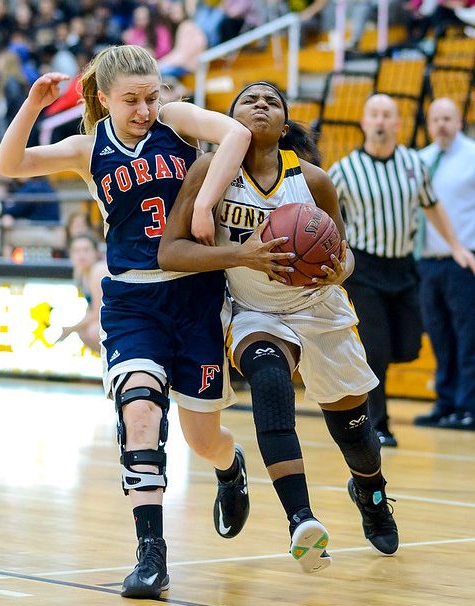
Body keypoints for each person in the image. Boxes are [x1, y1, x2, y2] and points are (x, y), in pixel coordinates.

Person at [0, 44, 252, 600]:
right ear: (105, 99)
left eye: (150, 96)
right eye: (131, 100)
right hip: (132, 300)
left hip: (195, 296)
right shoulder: (90, 149)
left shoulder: (177, 122)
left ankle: (230, 467)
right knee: (139, 413)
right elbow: (9, 165)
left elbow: (237, 134)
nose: (143, 109)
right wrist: (34, 106)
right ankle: (151, 555)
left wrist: (205, 203)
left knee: (201, 437)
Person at [159, 81, 400, 569]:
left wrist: (340, 268)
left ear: (284, 126)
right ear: (229, 121)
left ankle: (370, 492)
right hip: (255, 312)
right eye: (249, 99)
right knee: (269, 382)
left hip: (317, 308)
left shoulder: (314, 182)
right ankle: (301, 521)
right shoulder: (210, 173)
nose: (261, 105)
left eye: (272, 101)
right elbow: (171, 251)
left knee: (355, 433)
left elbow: (344, 254)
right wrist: (240, 254)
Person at [327, 93, 475, 447]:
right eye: (374, 114)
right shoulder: (345, 170)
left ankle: (366, 382)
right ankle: (378, 424)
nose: (380, 121)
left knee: (408, 346)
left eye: (387, 115)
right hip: (364, 269)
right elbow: (323, 214)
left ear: (398, 123)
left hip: (405, 267)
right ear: (364, 122)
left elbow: (432, 206)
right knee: (376, 349)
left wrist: (456, 246)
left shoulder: (413, 163)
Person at [414, 98, 475, 430]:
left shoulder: (472, 157)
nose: (441, 124)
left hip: (464, 263)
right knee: (439, 337)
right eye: (436, 118)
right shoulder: (421, 160)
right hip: (426, 263)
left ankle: (469, 406)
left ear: (460, 121)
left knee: (468, 338)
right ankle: (446, 402)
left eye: (448, 118)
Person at [56, 233, 109, 353]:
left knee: (93, 331)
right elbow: (90, 309)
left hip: (125, 318)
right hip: (109, 318)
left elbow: (98, 312)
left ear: (96, 252)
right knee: (84, 330)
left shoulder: (99, 270)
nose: (81, 255)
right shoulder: (81, 273)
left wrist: (70, 329)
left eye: (86, 250)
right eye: (76, 251)